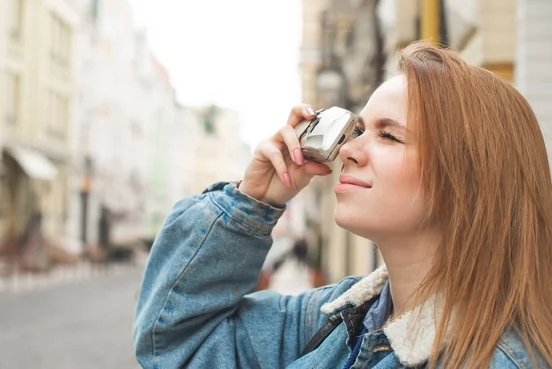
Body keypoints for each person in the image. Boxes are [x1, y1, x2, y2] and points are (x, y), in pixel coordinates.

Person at [133, 43, 552, 368]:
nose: (348, 150)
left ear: (468, 179)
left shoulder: (495, 359)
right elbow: (175, 344)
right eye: (358, 130)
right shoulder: (341, 316)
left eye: (389, 136)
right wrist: (253, 199)